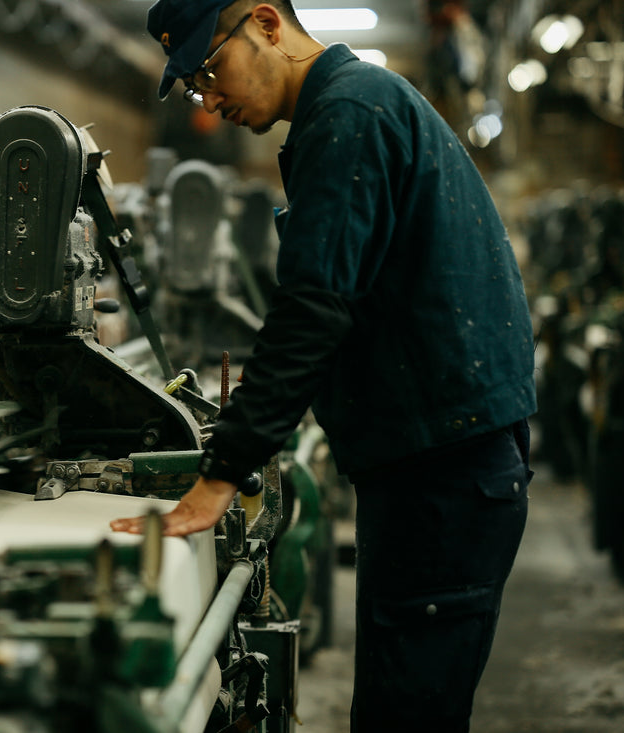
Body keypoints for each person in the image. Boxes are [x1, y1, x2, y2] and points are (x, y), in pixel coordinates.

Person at [110, 2, 537, 731]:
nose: (209, 99)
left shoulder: (347, 115)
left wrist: (221, 474)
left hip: (442, 478)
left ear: (268, 24)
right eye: (193, 89)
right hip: (439, 466)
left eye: (210, 70)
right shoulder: (354, 107)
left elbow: (314, 308)